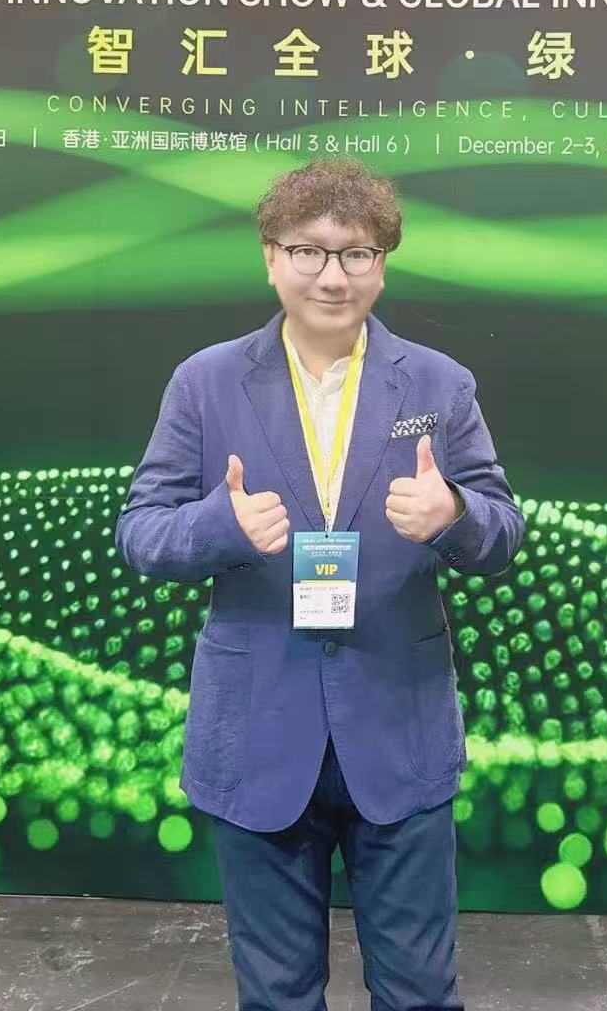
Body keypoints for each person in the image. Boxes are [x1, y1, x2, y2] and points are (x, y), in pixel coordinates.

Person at [116, 156, 526, 1011]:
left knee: (419, 993)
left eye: (357, 254)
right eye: (308, 251)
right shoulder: (207, 381)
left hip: (398, 727)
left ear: (382, 264)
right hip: (257, 726)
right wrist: (219, 526)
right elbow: (141, 534)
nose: (332, 276)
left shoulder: (438, 384)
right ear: (271, 257)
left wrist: (452, 513)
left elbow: (501, 534)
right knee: (277, 997)